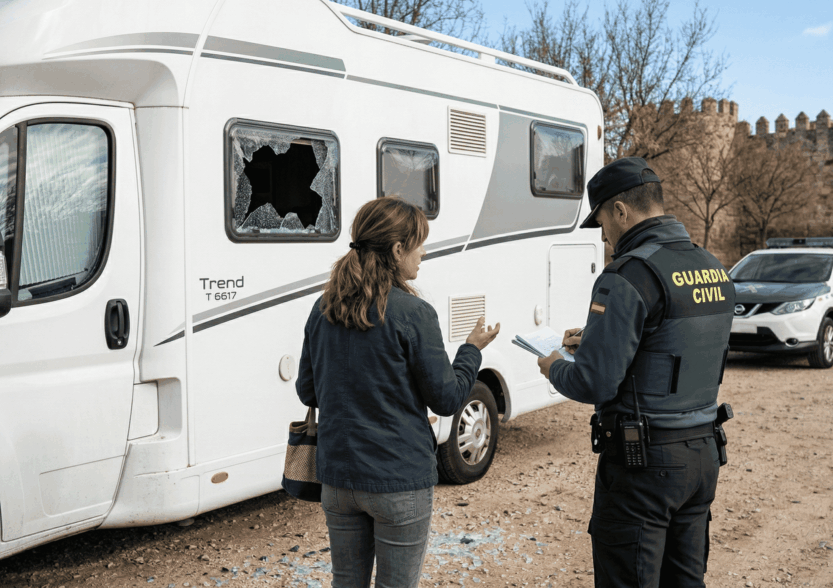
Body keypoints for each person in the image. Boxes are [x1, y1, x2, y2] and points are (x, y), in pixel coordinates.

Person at [537, 157, 735, 588]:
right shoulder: (714, 267)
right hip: (703, 453)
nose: (605, 235)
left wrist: (553, 366)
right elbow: (674, 344)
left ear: (621, 211)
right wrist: (595, 337)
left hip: (644, 463)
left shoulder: (628, 274)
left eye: (603, 221)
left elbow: (593, 382)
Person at [295, 196, 500, 588]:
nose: (424, 252)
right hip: (398, 480)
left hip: (338, 479)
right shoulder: (413, 313)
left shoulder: (322, 307)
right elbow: (446, 398)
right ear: (397, 249)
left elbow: (309, 390)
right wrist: (471, 350)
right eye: (419, 243)